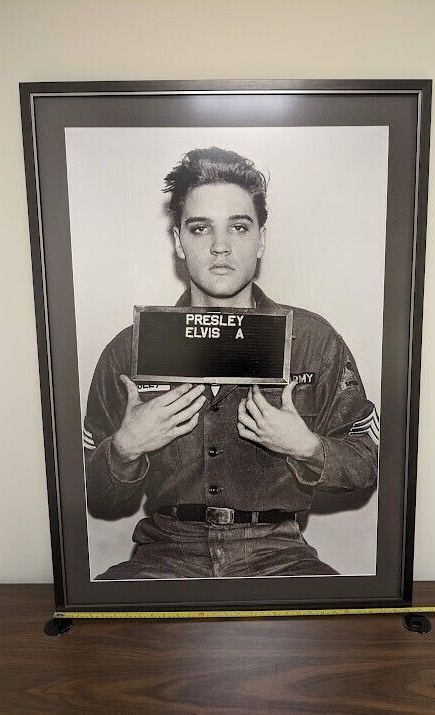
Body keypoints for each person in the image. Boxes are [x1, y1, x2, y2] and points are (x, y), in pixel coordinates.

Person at [83, 147, 379, 579]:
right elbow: (94, 494)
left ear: (260, 238)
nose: (220, 247)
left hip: (277, 554)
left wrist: (307, 447)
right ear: (178, 242)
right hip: (165, 555)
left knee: (343, 642)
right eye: (201, 229)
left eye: (238, 227)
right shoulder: (129, 350)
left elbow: (366, 463)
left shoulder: (313, 340)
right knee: (96, 640)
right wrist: (126, 447)